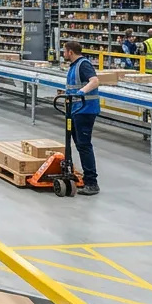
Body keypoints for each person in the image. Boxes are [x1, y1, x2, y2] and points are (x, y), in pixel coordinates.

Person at [62, 41, 101, 196]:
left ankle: (92, 183)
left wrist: (81, 92)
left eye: (64, 51)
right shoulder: (74, 66)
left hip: (85, 110)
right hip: (76, 110)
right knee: (79, 144)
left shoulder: (83, 64)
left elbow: (95, 81)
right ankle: (87, 177)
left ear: (70, 52)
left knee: (84, 145)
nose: (63, 54)